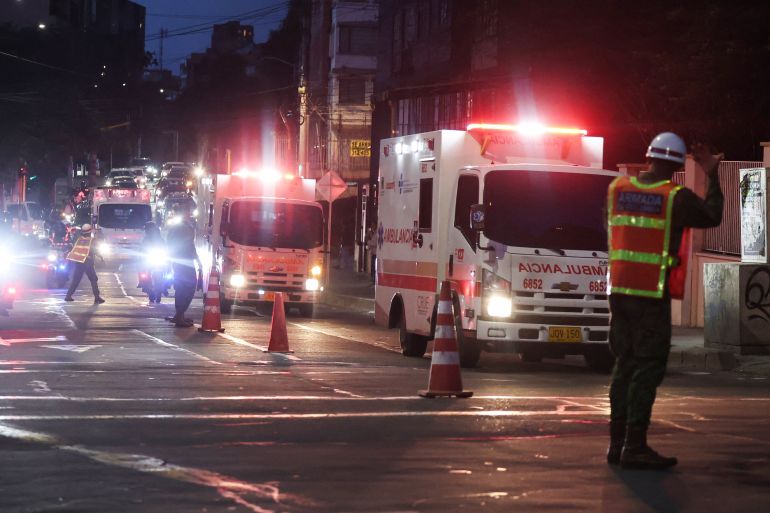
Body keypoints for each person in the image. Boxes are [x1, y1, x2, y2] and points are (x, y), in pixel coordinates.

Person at [606, 133, 723, 470]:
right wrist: (712, 173)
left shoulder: (617, 190)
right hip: (650, 295)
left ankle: (616, 444)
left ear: (648, 158)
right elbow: (712, 215)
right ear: (675, 165)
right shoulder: (675, 197)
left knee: (623, 366)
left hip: (621, 292)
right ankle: (635, 444)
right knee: (648, 366)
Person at [165, 208, 201, 327]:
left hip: (178, 261)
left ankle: (179, 315)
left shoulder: (175, 228)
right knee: (188, 287)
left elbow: (169, 243)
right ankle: (180, 315)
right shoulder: (185, 228)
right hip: (185, 261)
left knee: (181, 287)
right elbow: (190, 246)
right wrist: (198, 261)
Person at [64, 224, 105, 304]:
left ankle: (68, 296)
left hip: (79, 262)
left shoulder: (79, 239)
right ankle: (97, 297)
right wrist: (100, 257)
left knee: (76, 280)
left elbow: (73, 247)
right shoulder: (91, 240)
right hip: (88, 263)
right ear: (90, 231)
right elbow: (94, 250)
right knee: (93, 279)